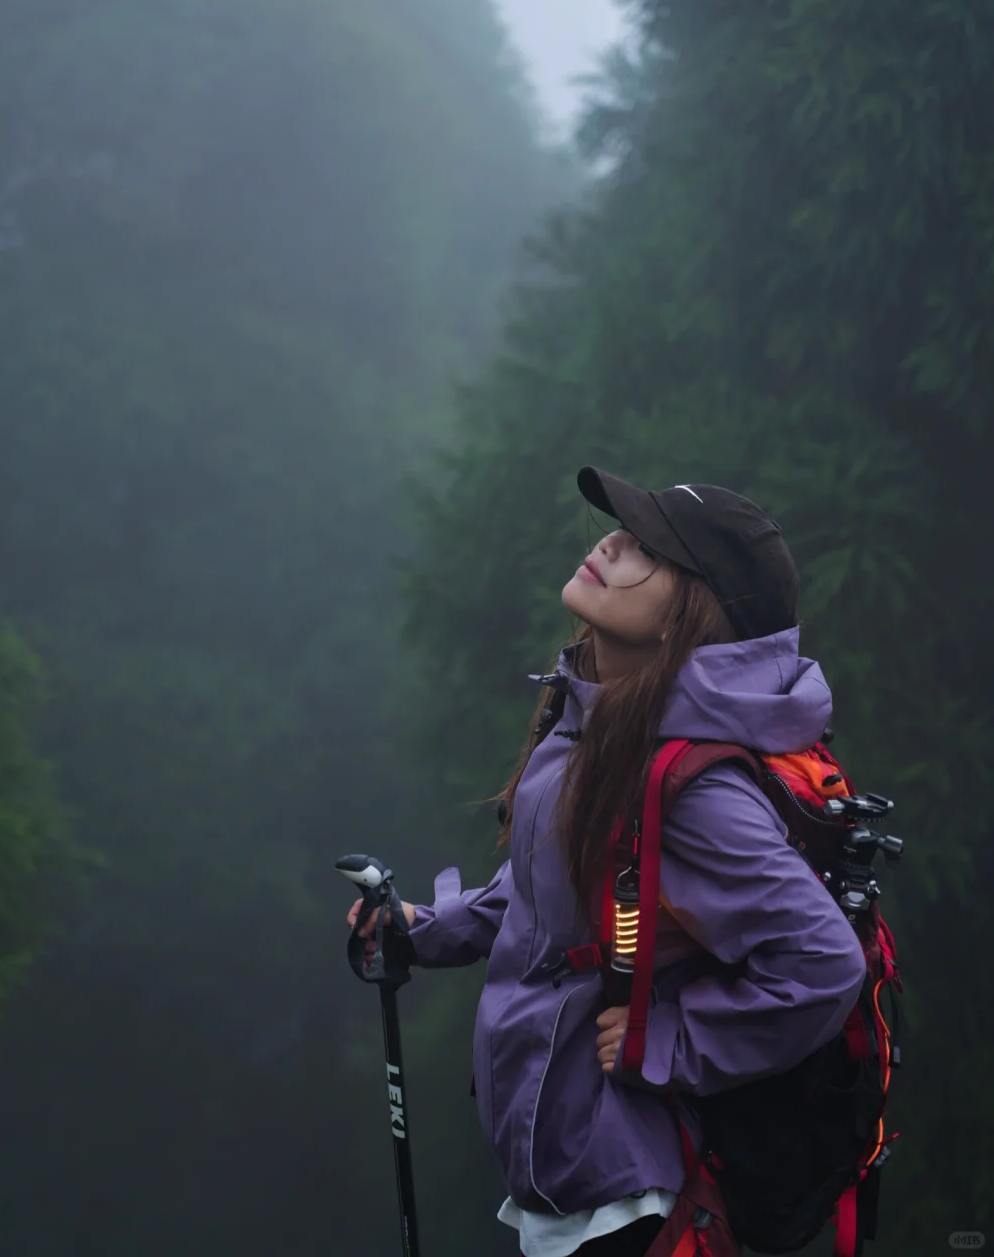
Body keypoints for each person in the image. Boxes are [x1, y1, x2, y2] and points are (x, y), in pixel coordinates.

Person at [347, 468, 868, 1257]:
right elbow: (551, 891)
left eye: (647, 548)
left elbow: (823, 965)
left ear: (692, 616)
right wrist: (424, 929)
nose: (612, 543)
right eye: (619, 529)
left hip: (633, 1201)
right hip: (567, 1172)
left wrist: (666, 1040)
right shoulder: (595, 714)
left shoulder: (692, 788)